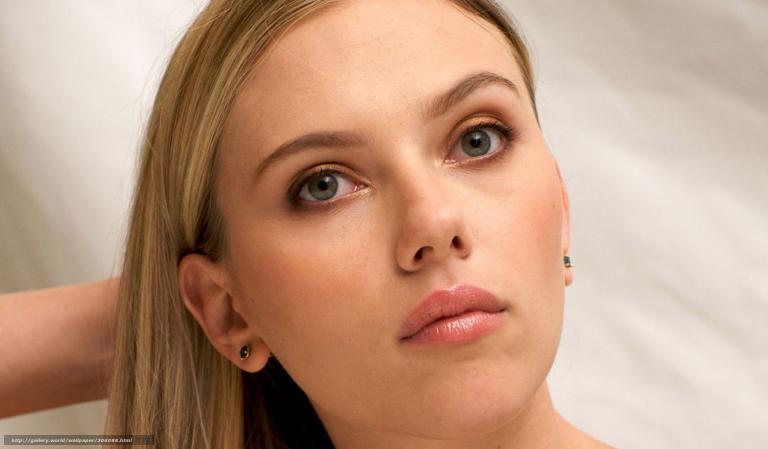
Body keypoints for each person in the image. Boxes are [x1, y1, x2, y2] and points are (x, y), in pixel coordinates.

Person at [2, 0, 617, 448]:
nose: (433, 223)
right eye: (325, 186)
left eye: (478, 140)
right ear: (224, 307)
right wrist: (165, 330)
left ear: (561, 213)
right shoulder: (227, 307)